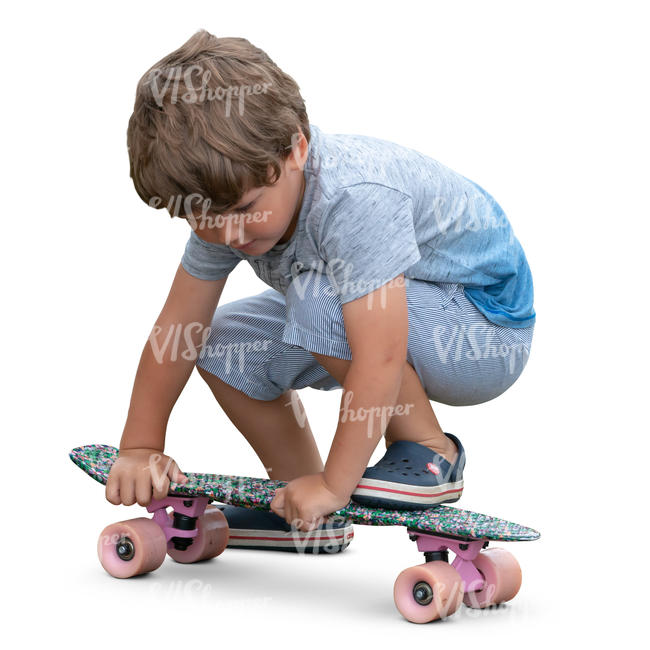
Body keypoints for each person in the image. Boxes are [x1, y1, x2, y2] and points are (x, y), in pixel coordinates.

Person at [106, 29, 536, 553]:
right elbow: (179, 328)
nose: (231, 236)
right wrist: (140, 446)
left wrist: (339, 484)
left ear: (296, 149)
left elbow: (381, 353)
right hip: (385, 316)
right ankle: (300, 504)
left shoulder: (354, 198)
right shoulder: (226, 210)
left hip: (482, 330)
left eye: (244, 209)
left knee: (316, 296)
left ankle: (428, 449)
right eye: (203, 218)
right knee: (223, 344)